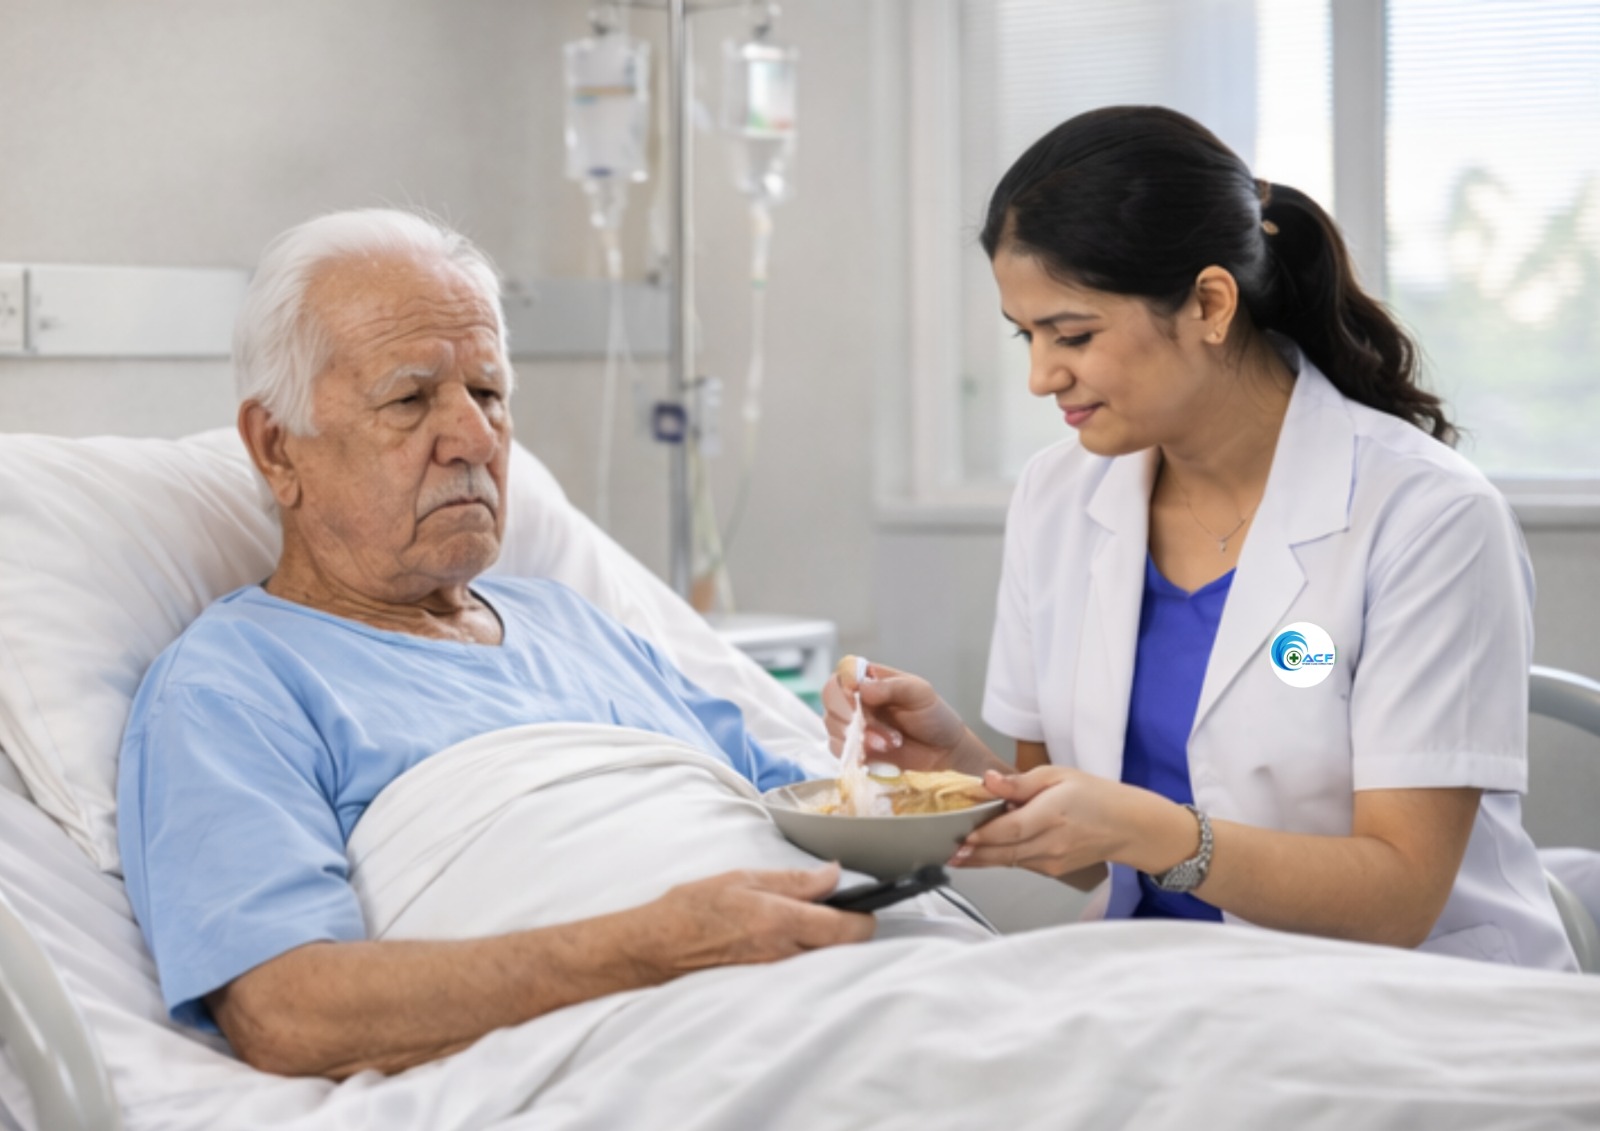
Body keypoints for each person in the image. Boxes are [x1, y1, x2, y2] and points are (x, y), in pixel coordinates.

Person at [117, 208, 874, 1080]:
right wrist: (652, 946)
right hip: (660, 1048)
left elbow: (804, 817)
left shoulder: (576, 623)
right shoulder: (233, 684)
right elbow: (287, 1007)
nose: (476, 438)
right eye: (409, 399)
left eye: (488, 393)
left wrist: (894, 773)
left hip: (832, 992)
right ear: (277, 447)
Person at [824, 106, 1576, 971]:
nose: (1040, 376)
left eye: (1072, 334)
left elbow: (1399, 895)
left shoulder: (1427, 517)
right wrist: (953, 766)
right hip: (1165, 986)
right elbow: (1084, 843)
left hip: (1402, 996)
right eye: (1026, 336)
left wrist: (1154, 830)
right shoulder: (1058, 497)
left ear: (1211, 304)